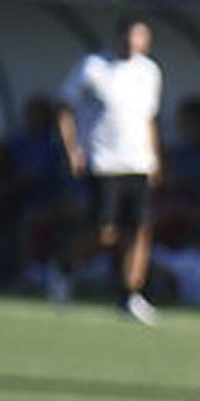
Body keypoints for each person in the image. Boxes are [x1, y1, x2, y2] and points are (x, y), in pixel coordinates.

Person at [60, 17, 167, 322]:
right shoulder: (93, 67)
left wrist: (155, 156)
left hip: (138, 161)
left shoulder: (149, 72)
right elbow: (65, 109)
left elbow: (149, 118)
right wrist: (73, 149)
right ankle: (65, 266)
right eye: (134, 37)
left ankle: (129, 295)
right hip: (104, 160)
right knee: (105, 231)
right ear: (121, 36)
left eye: (144, 38)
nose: (139, 44)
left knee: (139, 230)